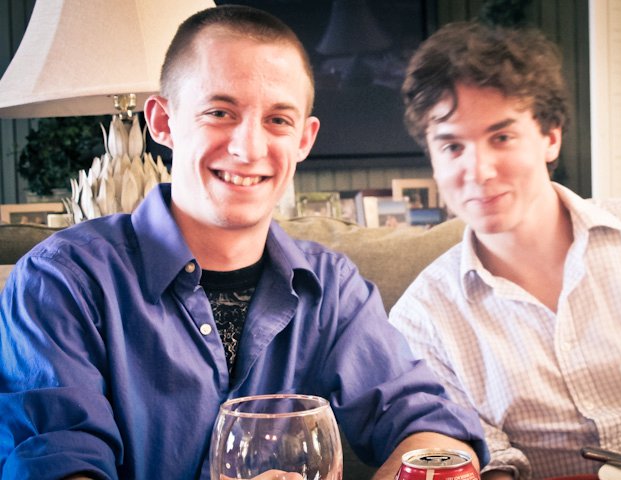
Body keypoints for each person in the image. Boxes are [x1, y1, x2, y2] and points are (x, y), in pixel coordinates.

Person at [0, 6, 490, 479]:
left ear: (304, 139)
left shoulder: (332, 288)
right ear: (163, 122)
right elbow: (57, 463)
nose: (249, 147)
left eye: (278, 119)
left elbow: (433, 432)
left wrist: (426, 457)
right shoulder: (60, 281)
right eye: (219, 111)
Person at [389, 21, 621, 480]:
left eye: (501, 137)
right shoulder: (421, 320)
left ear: (551, 136)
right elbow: (490, 460)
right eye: (451, 146)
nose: (478, 170)